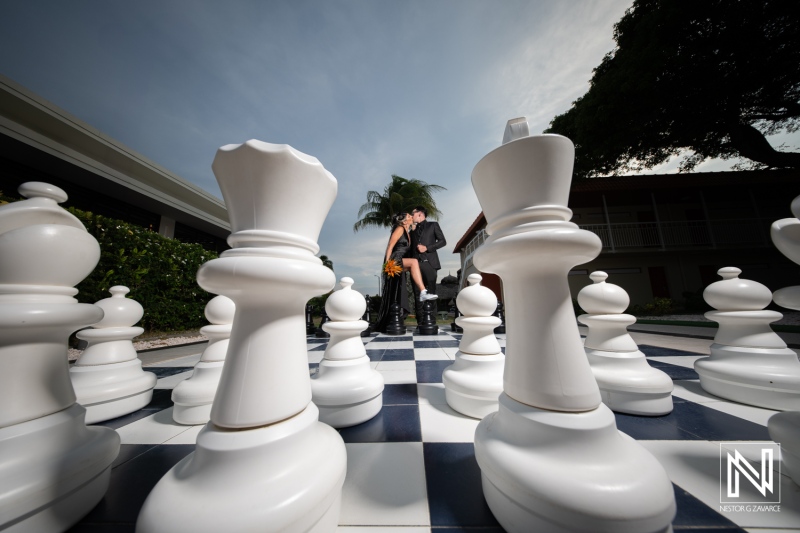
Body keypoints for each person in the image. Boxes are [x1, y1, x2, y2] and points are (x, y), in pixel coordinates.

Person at [374, 212, 437, 333]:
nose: (411, 217)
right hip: (394, 259)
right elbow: (390, 246)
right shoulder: (399, 228)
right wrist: (387, 264)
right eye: (409, 216)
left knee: (413, 266)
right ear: (403, 221)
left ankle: (421, 292)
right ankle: (423, 292)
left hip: (400, 260)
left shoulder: (407, 232)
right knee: (413, 262)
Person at [410, 206, 447, 320]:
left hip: (430, 263)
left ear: (420, 213)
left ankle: (432, 320)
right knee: (417, 293)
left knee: (431, 292)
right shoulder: (412, 230)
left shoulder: (433, 225)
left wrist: (427, 247)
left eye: (413, 213)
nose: (411, 216)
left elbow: (443, 242)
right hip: (415, 265)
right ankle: (420, 321)